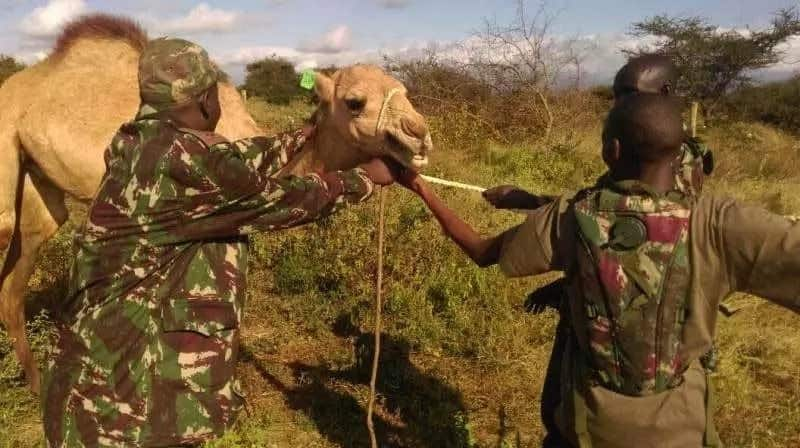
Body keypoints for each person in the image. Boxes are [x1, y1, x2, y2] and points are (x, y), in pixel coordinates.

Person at [41, 38, 397, 447]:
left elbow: (234, 160)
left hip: (95, 374)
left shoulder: (140, 143)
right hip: (122, 403)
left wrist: (303, 137)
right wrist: (363, 180)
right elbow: (284, 200)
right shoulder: (187, 165)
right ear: (207, 98)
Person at [398, 93, 800, 447]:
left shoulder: (573, 216)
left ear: (611, 150)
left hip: (590, 426)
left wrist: (419, 187)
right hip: (682, 426)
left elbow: (482, 250)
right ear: (681, 153)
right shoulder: (719, 222)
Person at [481, 54, 714, 447]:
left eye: (630, 95)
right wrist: (532, 202)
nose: (621, 105)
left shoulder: (674, 158)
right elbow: (608, 210)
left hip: (642, 314)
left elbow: (635, 230)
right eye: (618, 96)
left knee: (580, 410)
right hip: (618, 298)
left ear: (667, 94)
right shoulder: (650, 144)